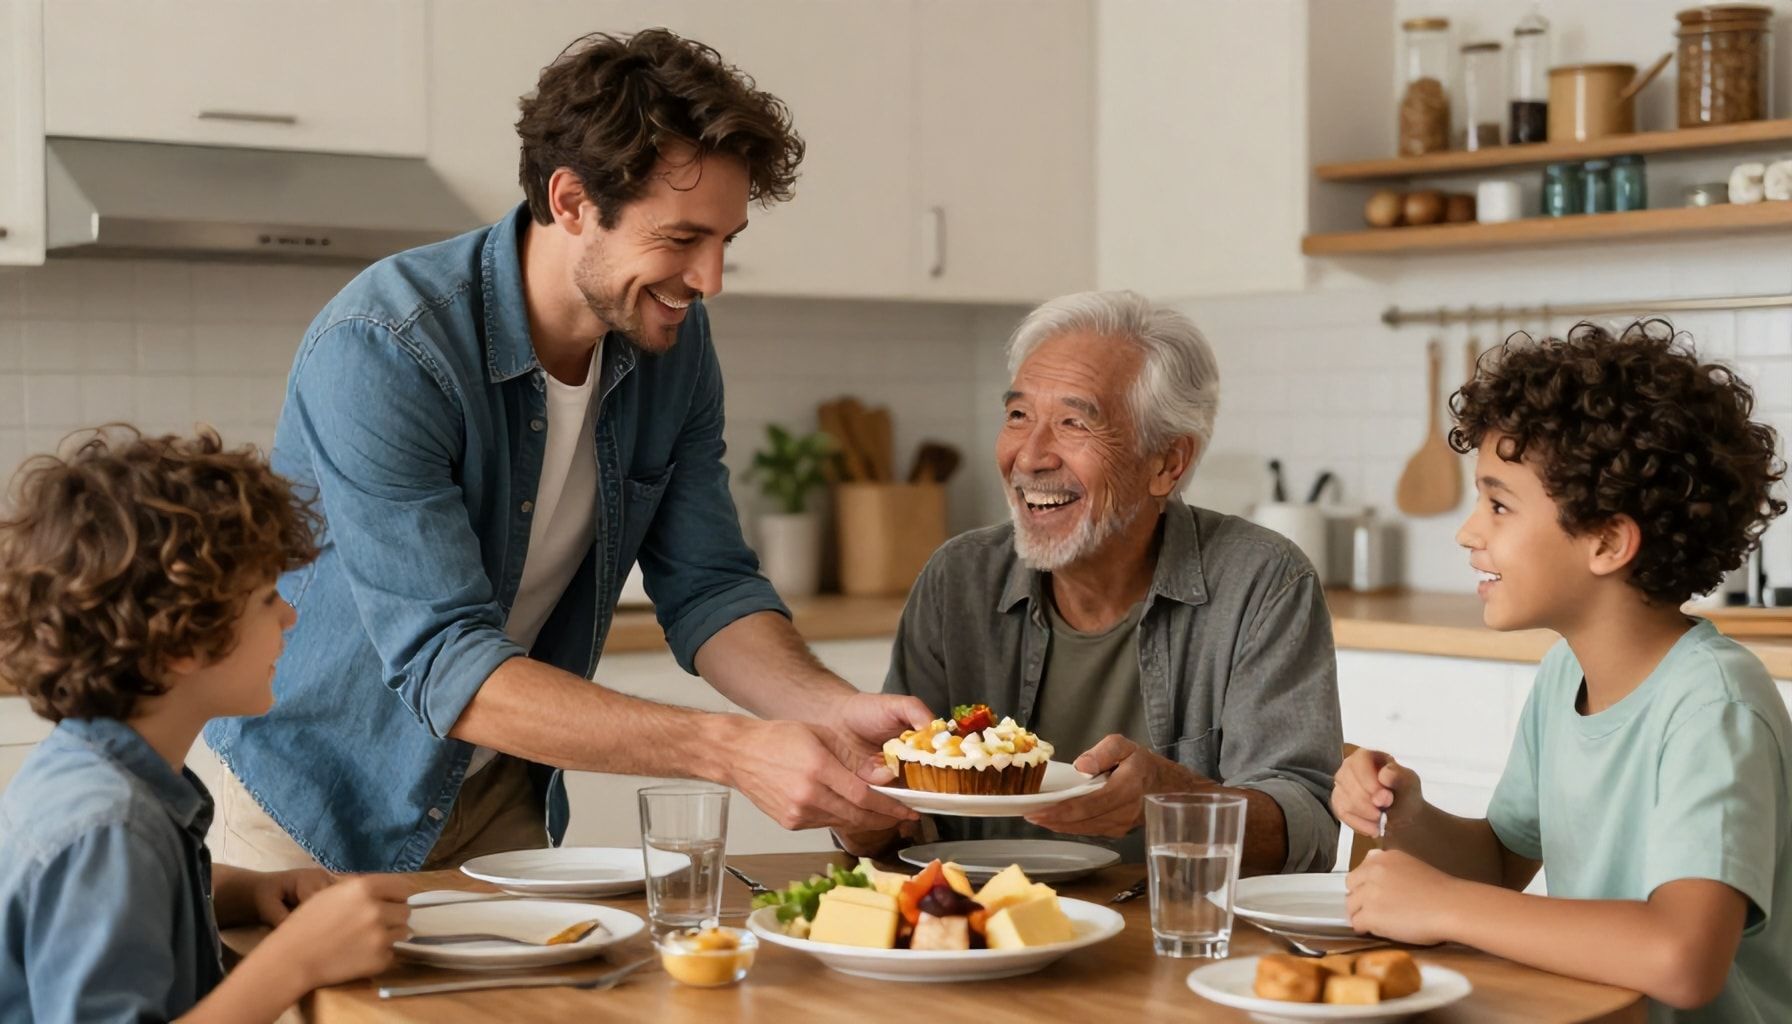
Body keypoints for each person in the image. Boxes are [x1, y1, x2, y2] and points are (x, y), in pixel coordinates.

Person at [193, 28, 928, 873]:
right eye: (682, 239)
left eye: (727, 241)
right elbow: (445, 661)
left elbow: (710, 586)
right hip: (315, 808)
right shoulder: (387, 345)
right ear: (572, 201)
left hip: (499, 797)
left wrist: (829, 710)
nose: (710, 279)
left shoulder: (672, 345)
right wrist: (730, 751)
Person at [1334, 320, 1792, 1020]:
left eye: (1498, 504)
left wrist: (1447, 905)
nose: (1467, 531)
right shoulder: (1565, 675)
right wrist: (1410, 814)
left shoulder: (1714, 708)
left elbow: (1684, 958)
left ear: (1606, 541)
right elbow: (1501, 864)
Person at [840, 291, 1342, 870]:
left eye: (1074, 423)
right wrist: (858, 812)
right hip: (976, 916)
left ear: (1167, 464)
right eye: (1018, 416)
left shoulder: (1262, 582)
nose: (1030, 457)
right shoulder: (959, 579)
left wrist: (1172, 800)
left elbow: (1306, 830)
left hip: (1165, 919)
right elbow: (900, 825)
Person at [0, 428, 411, 1023]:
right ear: (181, 641)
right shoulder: (109, 828)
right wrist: (295, 962)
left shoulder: (89, 775)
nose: (290, 616)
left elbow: (135, 897)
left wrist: (248, 891)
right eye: (267, 598)